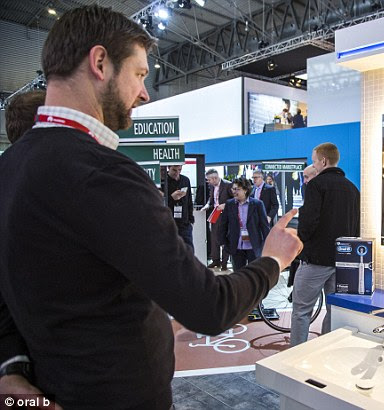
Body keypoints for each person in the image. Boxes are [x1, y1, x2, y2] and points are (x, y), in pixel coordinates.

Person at [0, 6, 302, 409]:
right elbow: (209, 307)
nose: (144, 93)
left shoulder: (10, 167)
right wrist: (273, 262)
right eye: (140, 75)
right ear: (100, 62)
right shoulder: (106, 175)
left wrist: (12, 368)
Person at [291, 142, 360, 346]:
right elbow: (356, 226)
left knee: (302, 311)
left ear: (323, 160)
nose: (314, 165)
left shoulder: (316, 185)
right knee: (334, 310)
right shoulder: (352, 189)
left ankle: (295, 355)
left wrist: (301, 239)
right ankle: (325, 350)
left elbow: (309, 221)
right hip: (342, 261)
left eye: (314, 161)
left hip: (316, 260)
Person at [217, 177, 270, 270]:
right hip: (236, 245)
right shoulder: (229, 204)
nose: (234, 191)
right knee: (238, 275)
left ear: (245, 190)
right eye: (233, 189)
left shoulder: (257, 204)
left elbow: (264, 226)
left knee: (254, 273)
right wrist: (223, 242)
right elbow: (223, 225)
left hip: (254, 245)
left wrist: (267, 244)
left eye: (237, 189)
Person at [202, 168, 232, 270]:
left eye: (209, 180)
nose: (208, 182)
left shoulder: (228, 185)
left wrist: (225, 205)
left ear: (215, 178)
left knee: (224, 238)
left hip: (225, 215)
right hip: (214, 214)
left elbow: (235, 199)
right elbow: (211, 200)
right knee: (214, 238)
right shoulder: (211, 186)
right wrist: (207, 205)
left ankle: (224, 262)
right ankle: (215, 261)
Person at [165, 164, 195, 250]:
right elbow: (160, 202)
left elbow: (189, 200)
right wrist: (171, 198)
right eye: (174, 170)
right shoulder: (164, 182)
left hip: (184, 223)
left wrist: (190, 219)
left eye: (179, 170)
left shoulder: (185, 180)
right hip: (169, 223)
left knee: (188, 249)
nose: (177, 172)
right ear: (168, 168)